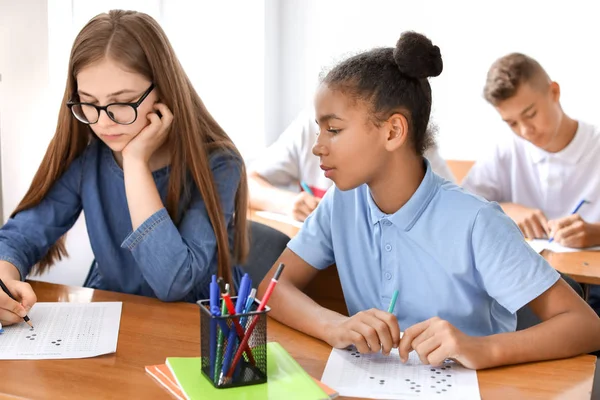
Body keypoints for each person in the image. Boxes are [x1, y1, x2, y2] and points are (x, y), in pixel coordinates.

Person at [258, 32, 600, 369]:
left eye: (333, 130)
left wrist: (483, 349)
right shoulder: (341, 203)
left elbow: (587, 326)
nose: (318, 145)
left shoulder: (477, 221)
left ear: (392, 131)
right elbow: (272, 288)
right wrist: (333, 325)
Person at [0, 10, 248, 326]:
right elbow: (21, 235)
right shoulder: (88, 160)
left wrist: (135, 163)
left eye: (122, 102)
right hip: (118, 319)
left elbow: (173, 282)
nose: (103, 121)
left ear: (164, 89)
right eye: (88, 102)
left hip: (199, 328)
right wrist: (4, 274)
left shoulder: (219, 164)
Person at [462, 53, 600, 315]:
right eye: (512, 123)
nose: (525, 131)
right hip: (526, 288)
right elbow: (462, 204)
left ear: (554, 92)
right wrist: (507, 209)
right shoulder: (506, 151)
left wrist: (596, 232)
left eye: (531, 114)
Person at [248, 110, 455, 222]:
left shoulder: (412, 145)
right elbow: (247, 185)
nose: (318, 148)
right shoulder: (308, 128)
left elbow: (453, 212)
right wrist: (289, 203)